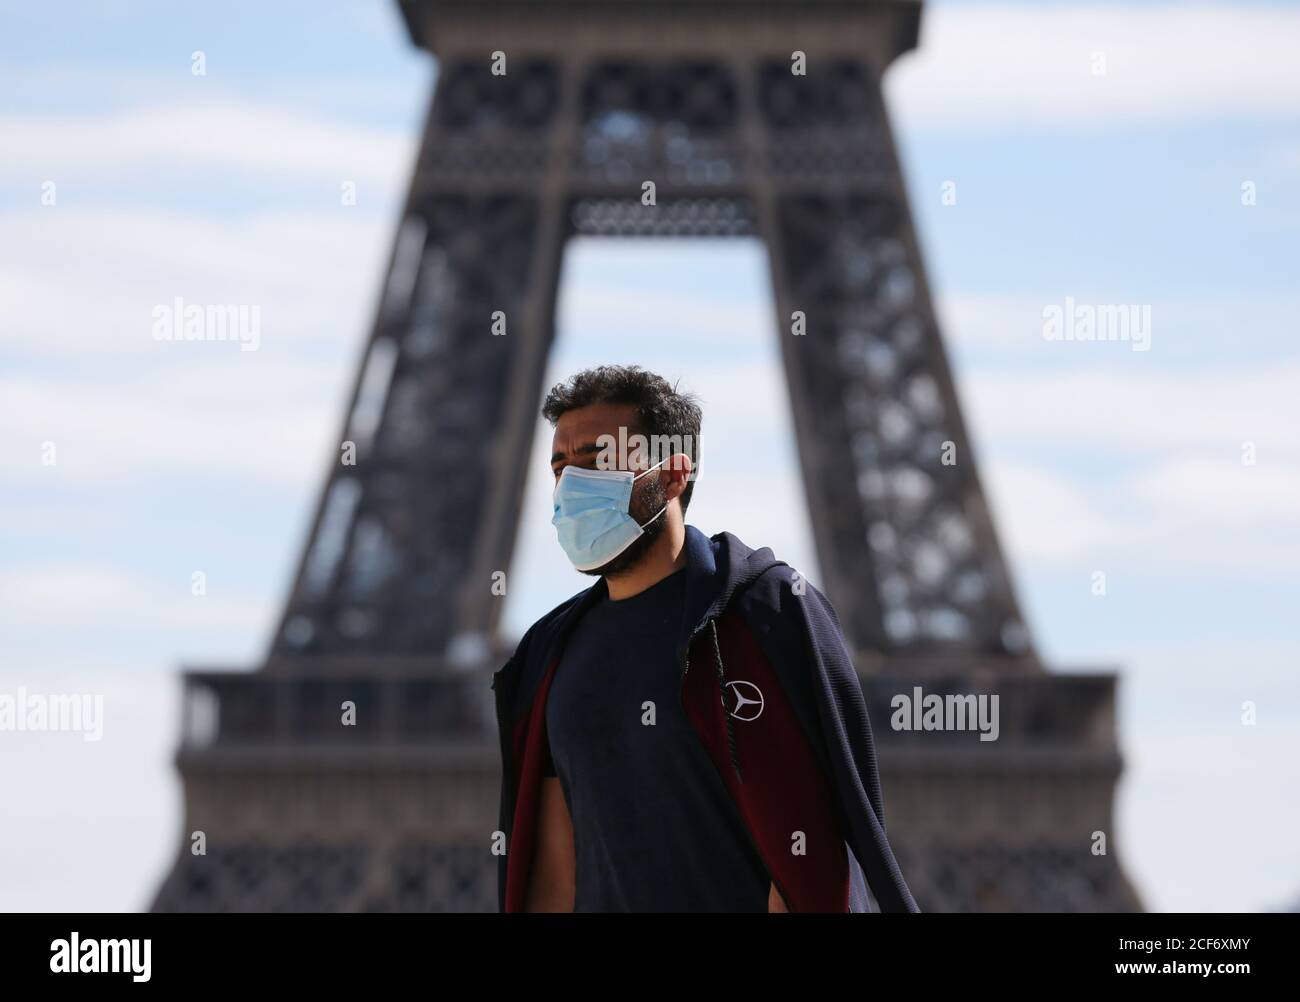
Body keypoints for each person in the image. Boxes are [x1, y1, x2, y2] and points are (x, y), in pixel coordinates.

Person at [491, 364, 918, 913]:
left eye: (598, 460)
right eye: (560, 466)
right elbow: (553, 871)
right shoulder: (548, 653)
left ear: (671, 476)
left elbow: (809, 852)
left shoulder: (767, 614)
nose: (571, 484)